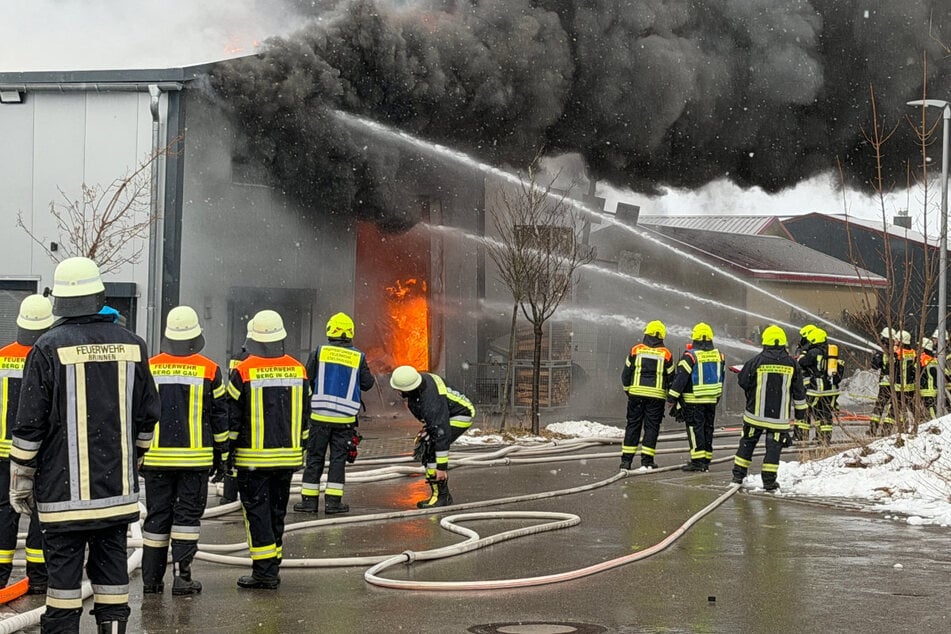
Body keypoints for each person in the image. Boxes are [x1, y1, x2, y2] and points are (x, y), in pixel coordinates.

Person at [10, 257, 161, 633]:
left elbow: (30, 424)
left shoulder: (46, 347)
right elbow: (148, 416)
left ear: (58, 301)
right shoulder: (133, 345)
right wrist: (134, 459)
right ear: (98, 296)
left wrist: (21, 478)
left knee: (62, 591)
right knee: (113, 585)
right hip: (116, 495)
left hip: (62, 498)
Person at [141, 306, 230, 596]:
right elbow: (219, 417)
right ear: (195, 336)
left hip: (155, 459)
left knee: (156, 517)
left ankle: (152, 580)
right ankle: (182, 577)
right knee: (187, 519)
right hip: (195, 460)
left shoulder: (149, 366)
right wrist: (223, 455)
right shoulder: (210, 369)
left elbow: (137, 413)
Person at [227, 309, 310, 589]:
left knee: (257, 514)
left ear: (256, 341)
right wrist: (303, 447)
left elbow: (232, 418)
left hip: (253, 459)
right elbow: (306, 416)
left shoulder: (243, 370)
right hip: (288, 458)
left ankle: (264, 572)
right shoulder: (298, 369)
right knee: (276, 511)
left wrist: (226, 454)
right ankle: (273, 565)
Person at [294, 313, 375, 515]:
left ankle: (309, 503)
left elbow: (305, 379)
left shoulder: (319, 353)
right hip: (345, 420)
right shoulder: (358, 356)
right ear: (350, 333)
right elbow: (368, 383)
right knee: (338, 460)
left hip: (319, 418)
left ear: (330, 331)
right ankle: (333, 504)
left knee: (314, 458)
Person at [0, 295, 52, 595]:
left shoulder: (3, 356)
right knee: (41, 513)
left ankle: (0, 574)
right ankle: (38, 577)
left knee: (4, 513)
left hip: (3, 451)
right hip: (39, 451)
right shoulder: (49, 356)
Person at [731, 325, 808, 491]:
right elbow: (799, 392)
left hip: (754, 416)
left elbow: (743, 381)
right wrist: (801, 416)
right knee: (773, 449)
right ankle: (769, 481)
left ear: (765, 342)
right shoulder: (792, 364)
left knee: (747, 444)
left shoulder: (756, 361)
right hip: (778, 420)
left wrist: (753, 392)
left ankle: (738, 476)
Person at [390, 366, 474, 508]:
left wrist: (441, 467)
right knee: (428, 444)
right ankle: (440, 495)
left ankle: (441, 496)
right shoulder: (419, 388)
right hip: (446, 414)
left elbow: (441, 432)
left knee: (432, 447)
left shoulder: (430, 399)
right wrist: (427, 429)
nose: (397, 392)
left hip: (460, 415)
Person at [667, 323, 724, 472]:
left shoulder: (690, 356)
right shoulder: (719, 355)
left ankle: (697, 461)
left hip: (694, 400)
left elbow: (681, 379)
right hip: (711, 400)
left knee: (695, 429)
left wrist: (672, 397)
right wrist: (717, 396)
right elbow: (721, 377)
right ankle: (706, 458)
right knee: (707, 428)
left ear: (695, 339)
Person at [620, 320, 673, 469]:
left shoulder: (636, 350)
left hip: (636, 395)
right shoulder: (666, 354)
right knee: (651, 428)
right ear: (662, 336)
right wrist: (672, 397)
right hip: (656, 397)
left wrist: (627, 390)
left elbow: (625, 374)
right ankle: (647, 461)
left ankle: (626, 461)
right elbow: (671, 378)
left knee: (633, 426)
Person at [218, 318, 254, 505]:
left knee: (232, 453)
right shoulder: (260, 358)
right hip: (254, 412)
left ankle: (229, 495)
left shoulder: (237, 357)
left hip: (236, 409)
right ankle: (247, 495)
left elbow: (232, 382)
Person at [796, 328, 844, 445]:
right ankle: (824, 438)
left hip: (817, 389)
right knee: (825, 415)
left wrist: (803, 352)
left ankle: (802, 437)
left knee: (808, 411)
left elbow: (801, 362)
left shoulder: (813, 352)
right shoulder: (830, 351)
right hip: (830, 389)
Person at [869, 328, 896, 436]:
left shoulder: (882, 350)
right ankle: (886, 430)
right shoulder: (897, 350)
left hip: (885, 383)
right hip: (896, 384)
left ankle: (873, 430)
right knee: (894, 407)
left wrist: (875, 356)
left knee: (879, 407)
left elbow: (875, 366)